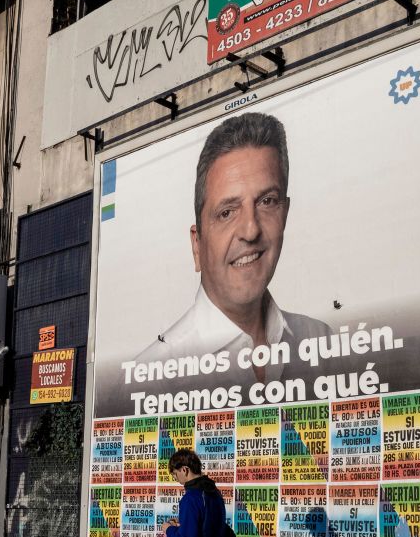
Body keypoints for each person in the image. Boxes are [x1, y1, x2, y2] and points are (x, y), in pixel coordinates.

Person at [136, 112, 329, 385]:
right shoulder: (151, 376)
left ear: (284, 215)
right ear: (197, 245)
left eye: (267, 201)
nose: (251, 230)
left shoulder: (324, 343)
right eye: (227, 212)